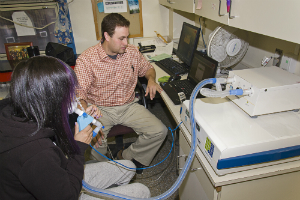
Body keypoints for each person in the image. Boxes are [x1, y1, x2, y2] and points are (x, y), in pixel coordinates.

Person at [0, 56, 150, 199]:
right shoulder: (35, 154)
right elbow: (67, 196)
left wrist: (80, 117)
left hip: (58, 175)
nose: (73, 99)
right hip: (65, 192)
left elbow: (54, 144)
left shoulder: (16, 111)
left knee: (128, 167)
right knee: (141, 191)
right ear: (50, 100)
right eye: (68, 94)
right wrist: (78, 148)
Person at [75, 13, 168, 173]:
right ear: (107, 36)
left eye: (127, 37)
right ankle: (106, 173)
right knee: (97, 142)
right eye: (122, 38)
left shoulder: (131, 52)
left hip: (129, 105)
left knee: (159, 131)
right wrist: (86, 116)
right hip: (100, 109)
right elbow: (79, 93)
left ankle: (125, 156)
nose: (126, 43)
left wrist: (151, 79)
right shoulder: (87, 59)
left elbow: (148, 69)